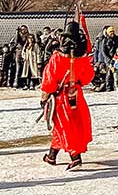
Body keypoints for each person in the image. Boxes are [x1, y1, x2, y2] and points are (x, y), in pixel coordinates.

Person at [40, 21, 95, 170]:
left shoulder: (57, 57)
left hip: (61, 96)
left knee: (65, 125)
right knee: (70, 125)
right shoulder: (83, 58)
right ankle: (52, 155)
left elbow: (49, 79)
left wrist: (44, 97)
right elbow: (88, 76)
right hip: (76, 93)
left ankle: (75, 157)